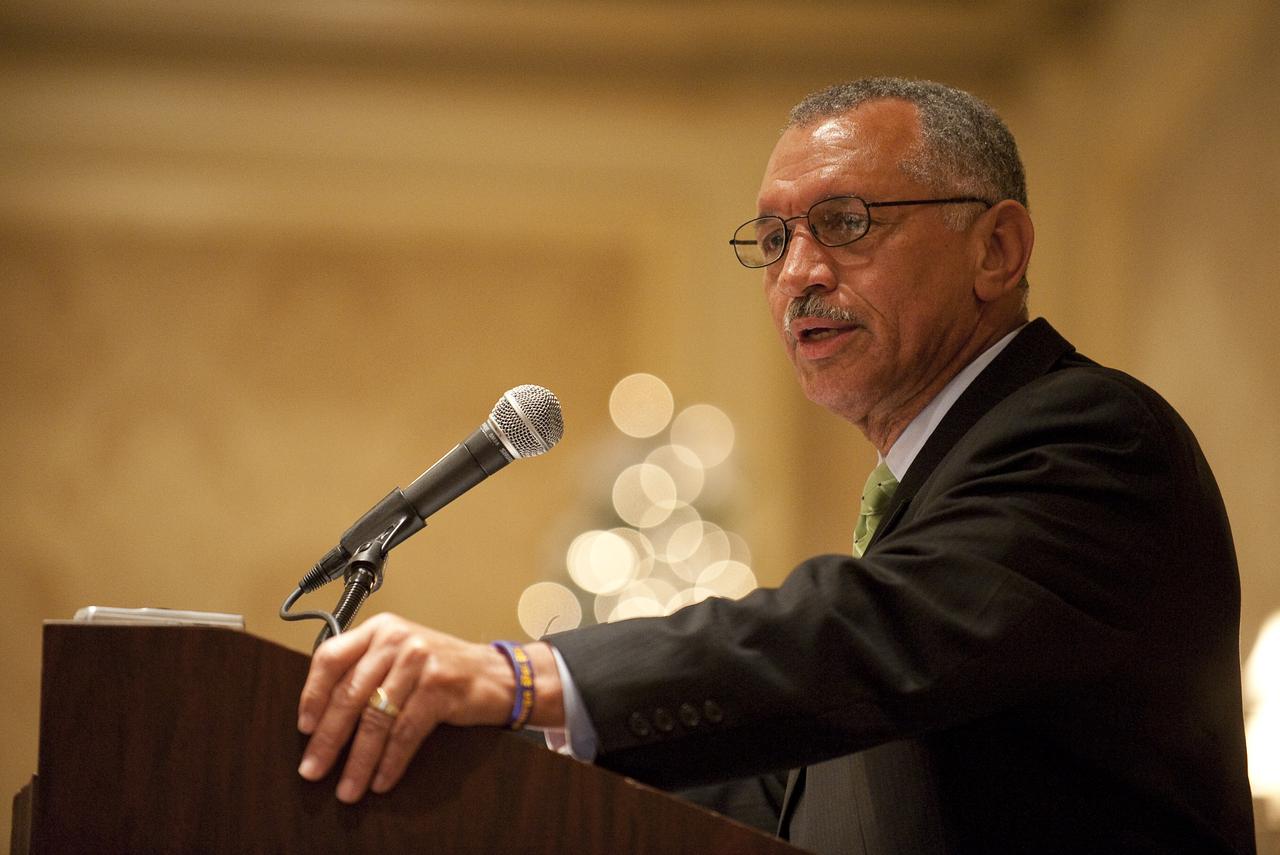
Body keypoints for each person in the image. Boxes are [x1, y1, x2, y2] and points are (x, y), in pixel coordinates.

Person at [295, 78, 1256, 853]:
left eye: (845, 222)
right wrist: (503, 764)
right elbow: (796, 797)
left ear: (996, 248)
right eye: (773, 238)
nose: (797, 271)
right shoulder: (936, 491)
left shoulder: (1090, 437)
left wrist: (525, 676)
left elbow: (861, 638)